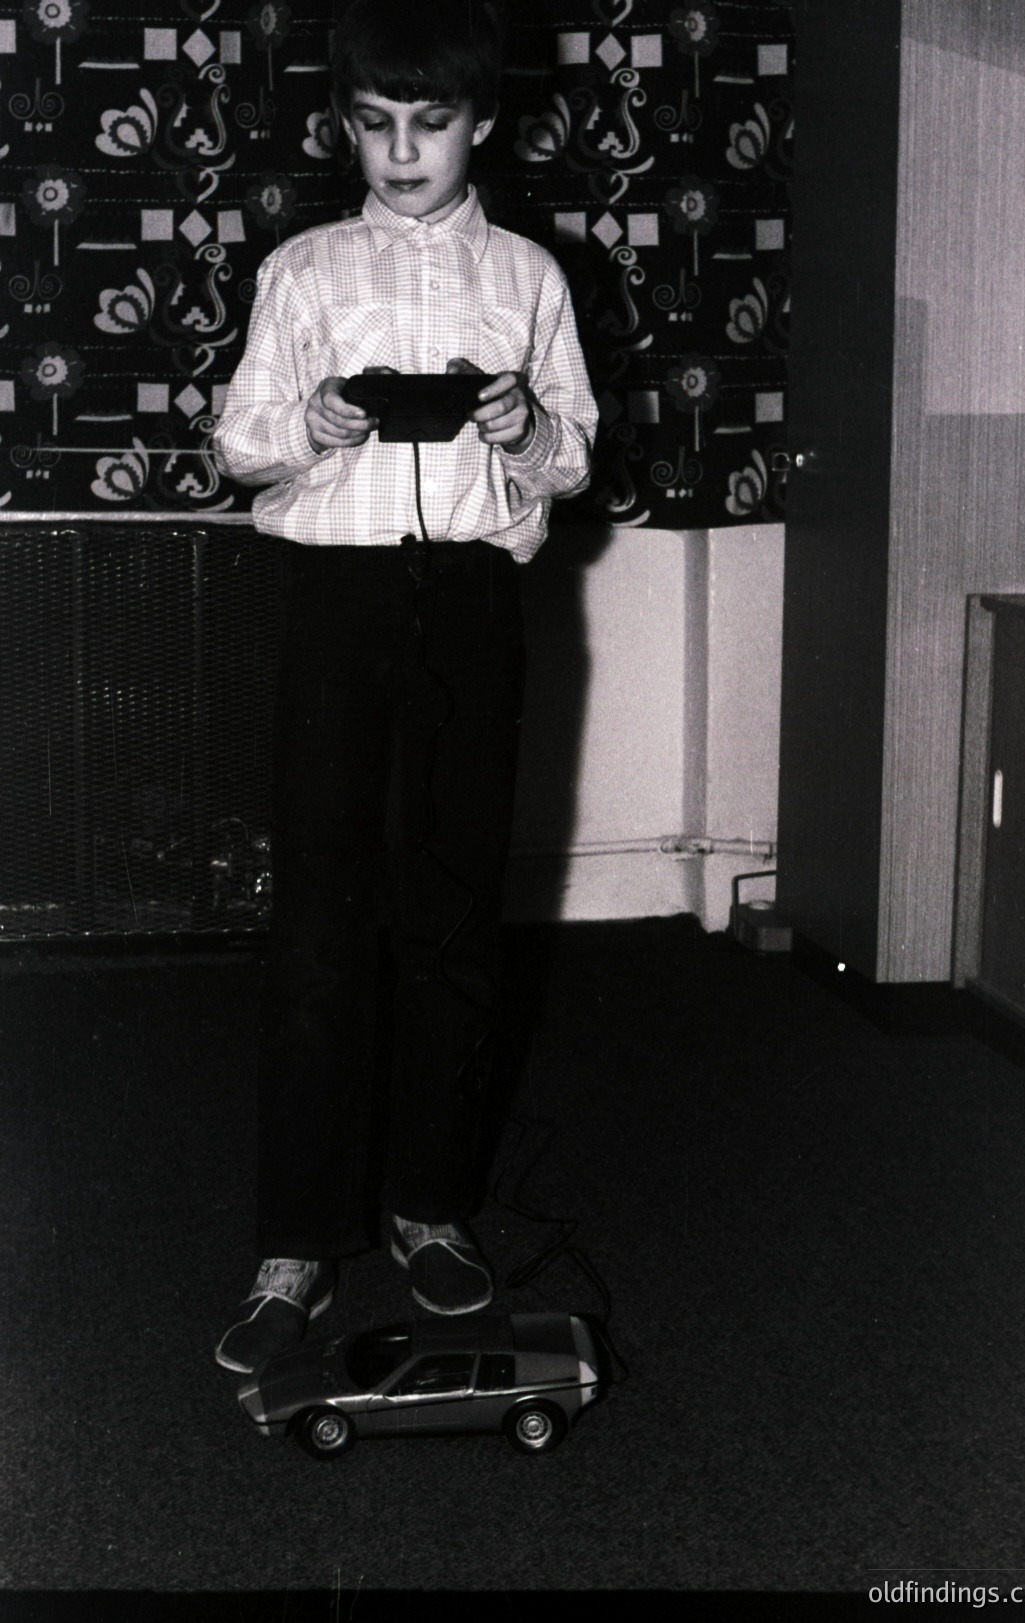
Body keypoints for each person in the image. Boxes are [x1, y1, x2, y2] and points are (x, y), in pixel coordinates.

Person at [212, 0, 597, 1374]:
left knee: (447, 915)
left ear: (480, 124)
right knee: (320, 920)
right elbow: (240, 443)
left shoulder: (531, 278)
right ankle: (297, 1244)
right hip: (339, 602)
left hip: (475, 609)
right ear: (345, 129)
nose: (402, 150)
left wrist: (526, 425)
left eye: (429, 124)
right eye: (374, 126)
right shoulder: (305, 270)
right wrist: (303, 424)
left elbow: (573, 461)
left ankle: (430, 1211)